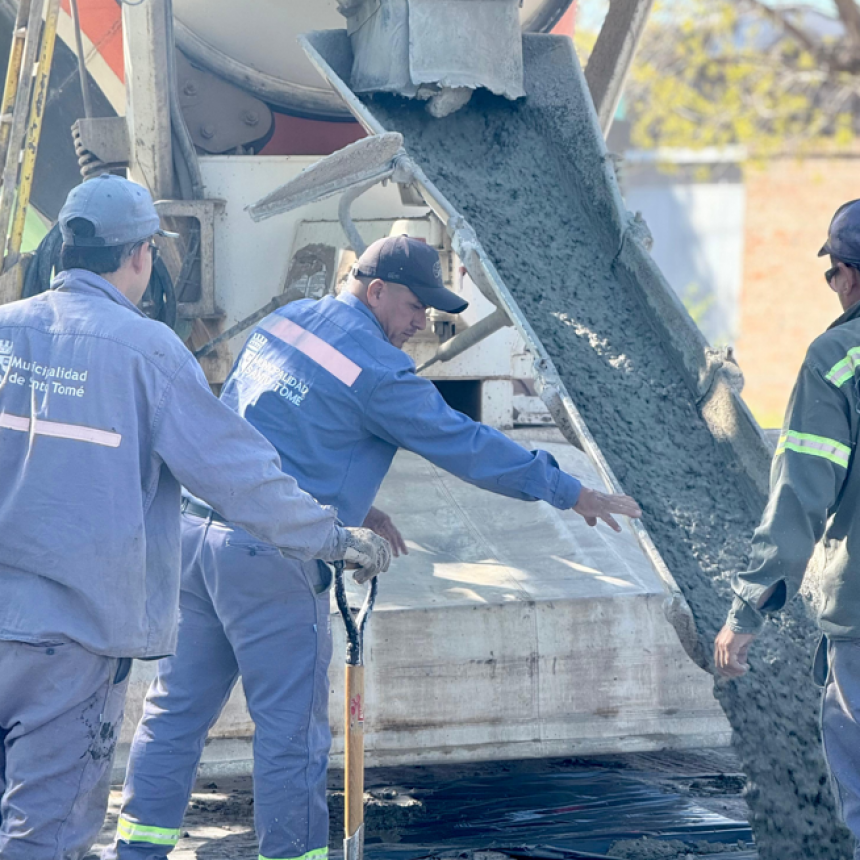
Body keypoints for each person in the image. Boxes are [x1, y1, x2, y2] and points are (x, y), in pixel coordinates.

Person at [107, 234, 642, 860]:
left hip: (197, 542)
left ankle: (136, 851)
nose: (422, 325)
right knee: (288, 737)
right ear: (377, 290)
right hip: (272, 562)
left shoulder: (284, 320)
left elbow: (259, 430)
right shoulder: (380, 372)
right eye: (416, 308)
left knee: (173, 717)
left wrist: (355, 504)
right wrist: (565, 489)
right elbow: (465, 444)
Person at [0, 175, 391, 860]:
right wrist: (332, 537)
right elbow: (239, 479)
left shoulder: (6, 331)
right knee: (45, 832)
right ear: (144, 255)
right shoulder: (146, 351)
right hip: (69, 639)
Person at [714, 199, 860, 855]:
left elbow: (802, 495)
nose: (832, 286)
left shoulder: (836, 360)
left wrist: (748, 609)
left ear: (849, 273)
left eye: (831, 272)